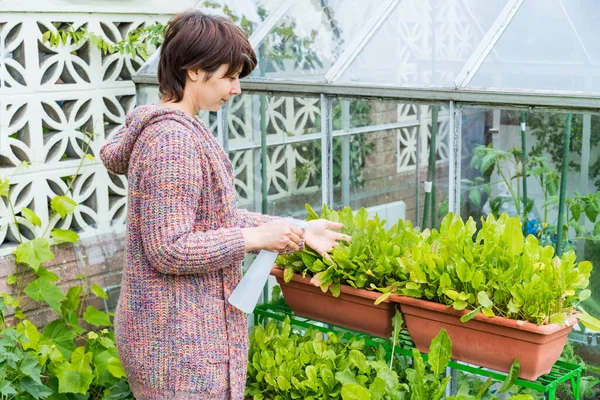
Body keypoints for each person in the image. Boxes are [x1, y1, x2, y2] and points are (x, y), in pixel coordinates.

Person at [99, 10, 349, 400]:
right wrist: (255, 238)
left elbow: (210, 220)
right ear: (195, 71)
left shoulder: (178, 132)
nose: (236, 89)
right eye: (229, 76)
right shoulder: (172, 142)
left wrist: (294, 229)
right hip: (177, 348)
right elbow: (169, 248)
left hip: (178, 338)